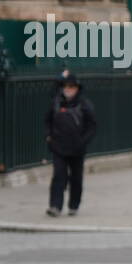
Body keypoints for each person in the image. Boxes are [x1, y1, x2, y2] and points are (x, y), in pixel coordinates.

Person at [44, 73, 97, 217]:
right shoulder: (56, 102)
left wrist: (83, 141)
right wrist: (49, 136)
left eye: (72, 87)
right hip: (58, 146)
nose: (69, 90)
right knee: (59, 176)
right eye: (66, 87)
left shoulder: (84, 104)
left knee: (76, 178)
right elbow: (47, 120)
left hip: (77, 148)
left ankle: (74, 205)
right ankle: (55, 206)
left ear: (77, 89)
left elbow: (92, 125)